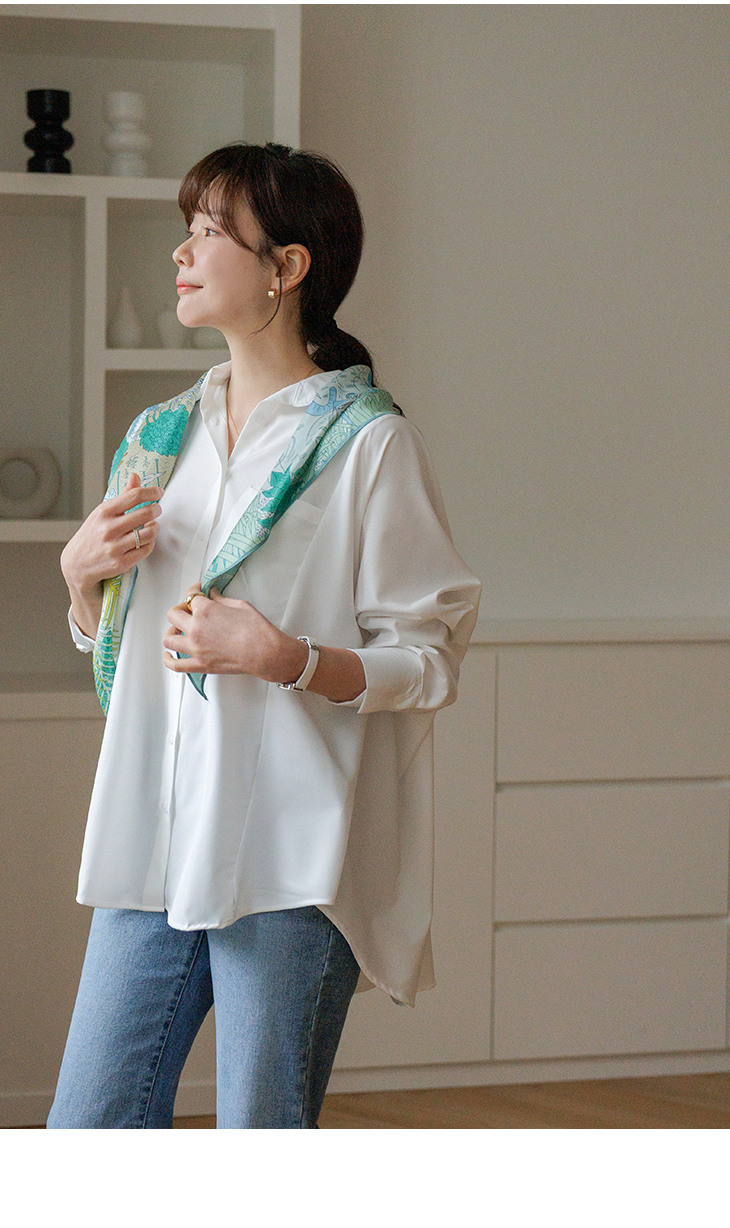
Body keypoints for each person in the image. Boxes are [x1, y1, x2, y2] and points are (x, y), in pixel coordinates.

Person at [47, 142, 480, 1130]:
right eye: (187, 229)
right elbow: (125, 659)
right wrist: (79, 584)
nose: (181, 252)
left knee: (261, 1141)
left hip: (291, 859)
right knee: (86, 1129)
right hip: (152, 841)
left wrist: (286, 659)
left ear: (288, 266)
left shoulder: (368, 442)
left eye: (209, 232)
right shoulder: (159, 438)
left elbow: (431, 659)